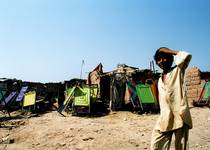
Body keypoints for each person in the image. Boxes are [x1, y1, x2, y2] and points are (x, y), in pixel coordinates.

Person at [150, 47, 193, 150]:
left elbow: (186, 56)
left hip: (180, 115)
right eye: (159, 60)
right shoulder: (160, 80)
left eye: (164, 58)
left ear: (171, 59)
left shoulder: (178, 70)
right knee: (155, 145)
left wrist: (167, 50)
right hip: (165, 117)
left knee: (181, 147)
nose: (161, 61)